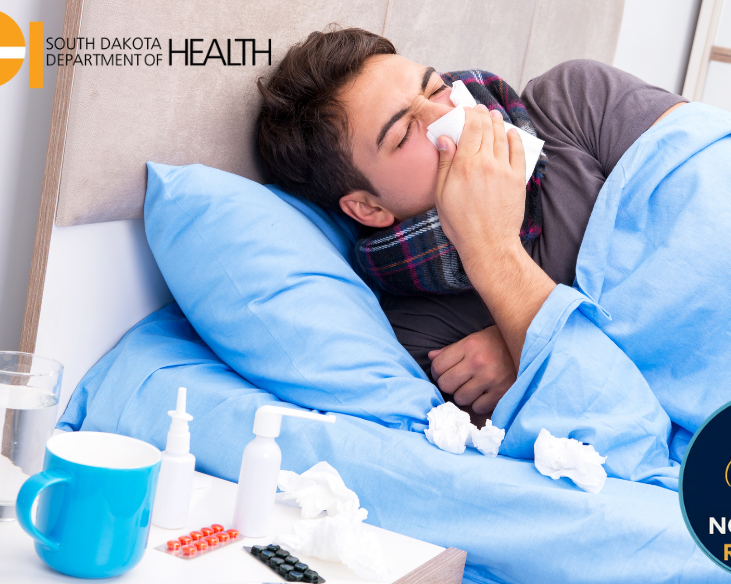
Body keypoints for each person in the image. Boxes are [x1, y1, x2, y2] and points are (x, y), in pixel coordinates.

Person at [256, 28, 684, 424]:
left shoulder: (576, 101)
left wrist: (525, 348)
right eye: (405, 133)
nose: (449, 112)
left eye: (438, 89)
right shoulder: (423, 339)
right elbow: (604, 429)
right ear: (369, 209)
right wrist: (492, 253)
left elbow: (729, 240)